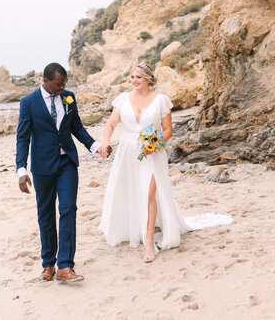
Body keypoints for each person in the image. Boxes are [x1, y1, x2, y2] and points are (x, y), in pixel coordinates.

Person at [99, 63, 232, 262]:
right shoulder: (123, 99)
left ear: (148, 79)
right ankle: (135, 233)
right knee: (131, 190)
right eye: (132, 77)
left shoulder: (161, 100)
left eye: (139, 77)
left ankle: (150, 241)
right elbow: (111, 123)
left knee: (150, 193)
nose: (135, 80)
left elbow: (167, 130)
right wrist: (106, 140)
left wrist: (155, 143)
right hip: (127, 150)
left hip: (152, 153)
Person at [16, 62, 108, 283]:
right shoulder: (28, 103)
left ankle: (65, 265)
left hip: (67, 161)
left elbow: (76, 127)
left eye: (64, 83)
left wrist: (95, 147)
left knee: (68, 209)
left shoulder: (69, 97)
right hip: (42, 167)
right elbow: (23, 137)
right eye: (59, 84)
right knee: (45, 215)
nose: (62, 88)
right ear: (46, 81)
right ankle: (48, 264)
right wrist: (21, 169)